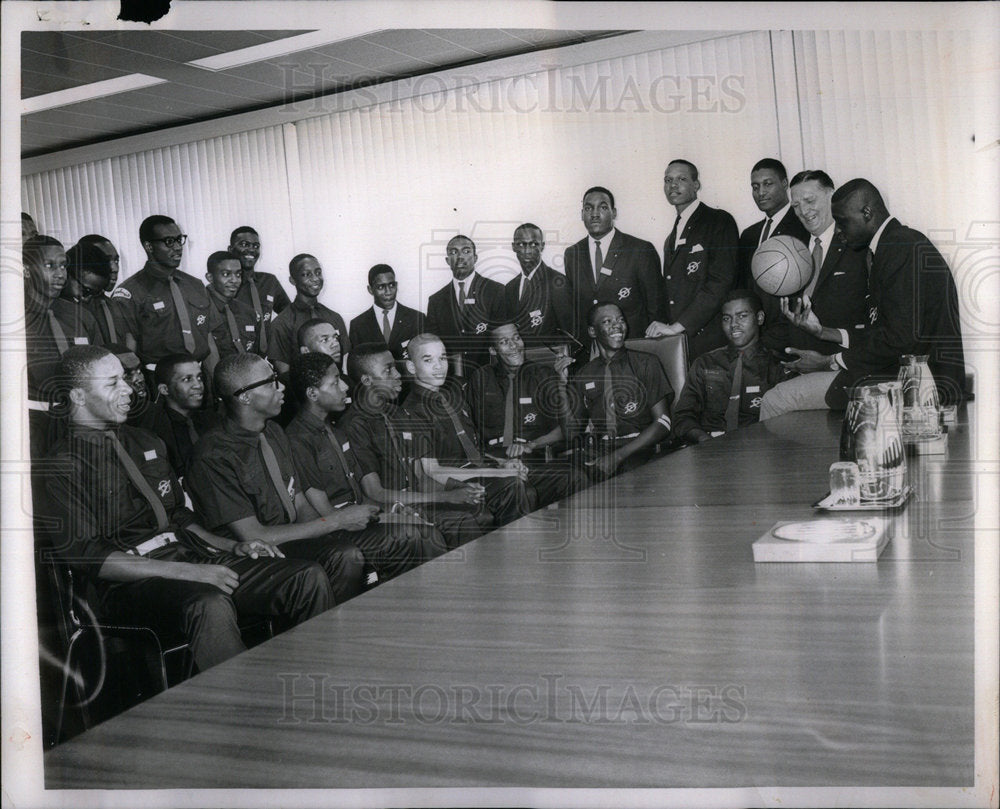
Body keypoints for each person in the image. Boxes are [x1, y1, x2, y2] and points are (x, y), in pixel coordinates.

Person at [43, 345, 332, 673]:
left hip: (188, 557)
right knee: (208, 602)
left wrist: (234, 546)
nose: (127, 389)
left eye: (124, 379)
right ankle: (245, 712)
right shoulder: (60, 467)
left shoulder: (147, 442)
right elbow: (90, 556)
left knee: (305, 577)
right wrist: (187, 572)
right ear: (78, 396)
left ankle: (312, 679)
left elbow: (179, 516)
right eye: (112, 384)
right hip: (130, 585)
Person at [759, 178, 967, 417]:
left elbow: (900, 339)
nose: (837, 230)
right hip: (897, 375)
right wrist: (822, 331)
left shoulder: (901, 246)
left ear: (867, 213)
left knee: (776, 399)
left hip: (916, 385)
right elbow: (886, 331)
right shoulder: (892, 245)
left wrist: (830, 361)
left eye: (842, 221)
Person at [185, 353, 366, 604]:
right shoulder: (213, 455)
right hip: (253, 553)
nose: (281, 387)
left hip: (290, 538)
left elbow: (300, 504)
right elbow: (253, 535)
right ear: (245, 396)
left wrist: (331, 532)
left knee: (347, 551)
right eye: (271, 383)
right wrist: (335, 522)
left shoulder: (274, 431)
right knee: (320, 569)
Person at [286, 353, 448, 579]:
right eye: (335, 382)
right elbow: (323, 512)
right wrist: (382, 518)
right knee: (416, 535)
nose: (344, 387)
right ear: (312, 393)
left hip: (359, 516)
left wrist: (392, 511)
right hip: (336, 530)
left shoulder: (336, 430)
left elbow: (362, 494)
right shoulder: (298, 440)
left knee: (423, 528)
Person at [340, 343, 485, 548]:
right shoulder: (354, 425)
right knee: (460, 524)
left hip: (419, 500)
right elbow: (375, 492)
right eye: (388, 370)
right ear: (367, 380)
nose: (398, 375)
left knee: (476, 513)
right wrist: (446, 496)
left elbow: (421, 478)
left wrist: (460, 488)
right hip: (391, 508)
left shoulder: (399, 414)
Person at [401, 333, 537, 526]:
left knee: (526, 486)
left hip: (477, 470)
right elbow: (433, 472)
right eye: (428, 360)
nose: (439, 366)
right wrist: (499, 474)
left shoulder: (452, 395)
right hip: (452, 483)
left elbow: (472, 450)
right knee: (513, 487)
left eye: (442, 357)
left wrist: (502, 464)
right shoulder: (413, 410)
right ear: (412, 367)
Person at [756, 170, 868, 358]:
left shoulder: (858, 246)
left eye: (810, 201)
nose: (803, 212)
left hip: (841, 364)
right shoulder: (789, 248)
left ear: (831, 195)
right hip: (792, 361)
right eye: (796, 206)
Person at [466, 323, 580, 506]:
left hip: (531, 462)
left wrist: (531, 445)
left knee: (574, 477)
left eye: (516, 338)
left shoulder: (542, 374)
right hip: (493, 464)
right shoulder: (481, 378)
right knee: (519, 490)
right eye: (504, 342)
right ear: (493, 350)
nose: (514, 345)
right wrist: (496, 463)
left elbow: (568, 431)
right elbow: (468, 434)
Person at [646, 160, 740, 363]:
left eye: (681, 179)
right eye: (668, 180)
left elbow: (720, 283)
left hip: (712, 342)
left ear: (696, 185)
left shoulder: (718, 220)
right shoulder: (671, 236)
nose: (673, 185)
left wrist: (678, 327)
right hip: (682, 343)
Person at [572, 302, 673, 479]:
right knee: (572, 479)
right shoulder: (585, 373)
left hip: (639, 448)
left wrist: (617, 456)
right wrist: (563, 383)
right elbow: (573, 427)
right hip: (600, 449)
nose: (617, 325)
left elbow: (663, 423)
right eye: (607, 321)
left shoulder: (646, 363)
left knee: (628, 477)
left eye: (620, 320)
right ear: (592, 332)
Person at [23, 235, 102, 458]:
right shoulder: (12, 320)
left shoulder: (80, 317)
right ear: (27, 270)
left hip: (81, 418)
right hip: (35, 422)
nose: (60, 274)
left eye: (63, 266)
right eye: (49, 266)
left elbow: (98, 367)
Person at [111, 215, 221, 374]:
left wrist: (214, 384)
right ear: (149, 246)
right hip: (159, 379)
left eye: (179, 239)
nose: (177, 247)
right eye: (169, 242)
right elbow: (129, 350)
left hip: (199, 374)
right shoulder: (131, 292)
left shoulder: (195, 285)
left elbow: (208, 341)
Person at [563, 187, 662, 361]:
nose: (594, 214)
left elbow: (656, 308)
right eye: (588, 208)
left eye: (602, 207)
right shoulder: (572, 254)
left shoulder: (640, 249)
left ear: (613, 212)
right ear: (581, 214)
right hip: (594, 354)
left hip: (634, 349)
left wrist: (652, 349)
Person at [672, 290, 784, 443]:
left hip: (759, 448)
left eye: (742, 316)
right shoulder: (705, 363)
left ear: (759, 318)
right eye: (727, 318)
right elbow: (683, 416)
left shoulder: (777, 365)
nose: (733, 325)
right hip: (708, 447)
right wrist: (704, 440)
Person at [425, 235, 506, 375]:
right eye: (454, 252)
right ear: (447, 260)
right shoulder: (435, 301)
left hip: (490, 376)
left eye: (466, 251)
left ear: (475, 258)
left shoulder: (495, 291)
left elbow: (502, 338)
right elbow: (435, 348)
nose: (460, 257)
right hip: (451, 380)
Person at [140, 353, 220, 479]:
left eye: (199, 378)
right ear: (164, 389)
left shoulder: (214, 421)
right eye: (187, 379)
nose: (198, 385)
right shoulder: (155, 433)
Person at [267, 253, 349, 375]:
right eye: (306, 274)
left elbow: (343, 362)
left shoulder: (334, 317)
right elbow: (284, 373)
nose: (315, 278)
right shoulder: (281, 323)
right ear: (293, 280)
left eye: (318, 272)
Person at [736, 158, 811, 289]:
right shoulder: (749, 235)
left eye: (768, 184)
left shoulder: (804, 224)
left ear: (784, 183)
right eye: (755, 187)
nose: (761, 192)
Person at [503, 223, 574, 345]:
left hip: (548, 360)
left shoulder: (557, 281)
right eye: (521, 244)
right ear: (513, 247)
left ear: (542, 246)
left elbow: (568, 332)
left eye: (534, 244)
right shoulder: (510, 287)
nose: (527, 250)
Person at [229, 226, 290, 356]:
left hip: (263, 360)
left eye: (256, 246)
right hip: (234, 358)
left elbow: (288, 314)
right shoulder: (227, 285)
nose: (251, 250)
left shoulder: (269, 282)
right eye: (244, 244)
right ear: (230, 249)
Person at [348, 264, 425, 362]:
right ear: (370, 289)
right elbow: (357, 364)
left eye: (392, 285)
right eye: (381, 287)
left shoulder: (416, 318)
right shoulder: (358, 325)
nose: (388, 292)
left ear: (396, 285)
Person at [65, 236, 122, 345]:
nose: (114, 268)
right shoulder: (60, 311)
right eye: (106, 260)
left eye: (116, 260)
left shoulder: (113, 306)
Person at [204, 250, 259, 358]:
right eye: (226, 274)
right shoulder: (201, 310)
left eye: (238, 274)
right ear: (210, 278)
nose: (234, 280)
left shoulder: (247, 312)